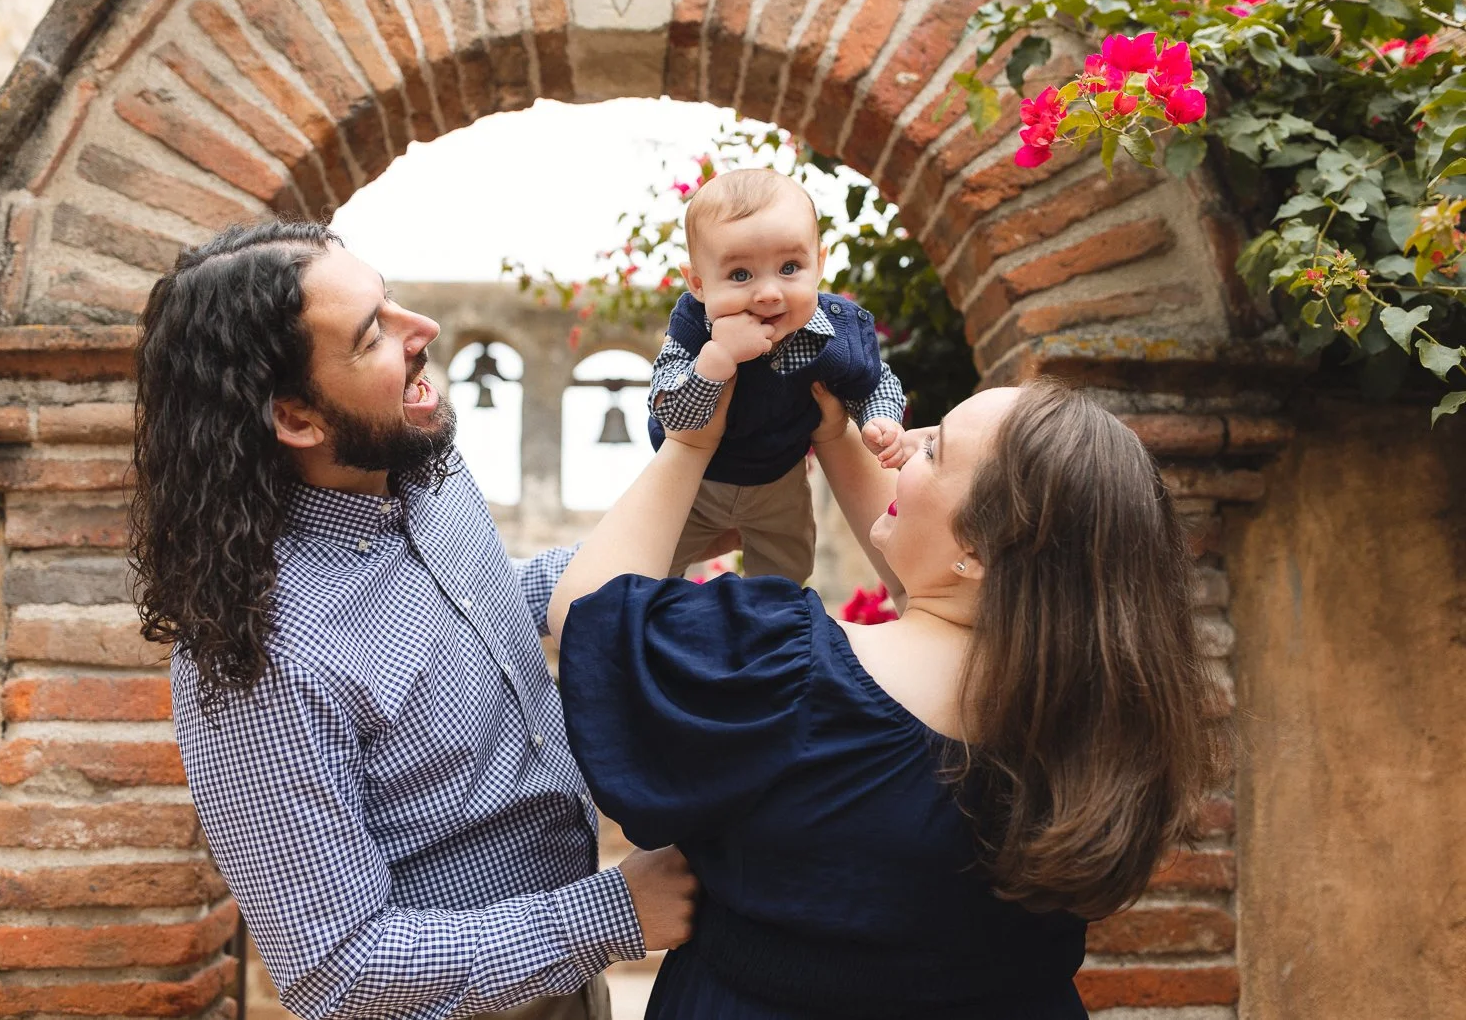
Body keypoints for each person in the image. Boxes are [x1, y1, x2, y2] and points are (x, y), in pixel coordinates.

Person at [128, 221, 697, 1020]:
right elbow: (337, 971)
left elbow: (499, 601)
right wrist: (612, 914)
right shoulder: (256, 655)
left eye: (389, 299)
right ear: (296, 418)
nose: (421, 329)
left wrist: (674, 531)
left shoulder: (421, 473)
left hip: (567, 981)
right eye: (372, 336)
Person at [548, 377, 1230, 1019]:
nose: (909, 447)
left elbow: (589, 612)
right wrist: (837, 434)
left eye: (936, 448)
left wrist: (690, 443)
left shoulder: (781, 670)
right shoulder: (1097, 727)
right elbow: (948, 594)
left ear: (980, 552)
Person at [645, 168, 907, 582]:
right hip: (696, 485)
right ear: (698, 283)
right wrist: (716, 359)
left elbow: (874, 381)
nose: (769, 293)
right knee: (649, 566)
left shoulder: (835, 331)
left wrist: (880, 418)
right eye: (740, 275)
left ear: (818, 264)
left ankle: (768, 627)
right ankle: (657, 627)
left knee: (787, 571)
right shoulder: (694, 329)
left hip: (778, 482)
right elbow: (672, 415)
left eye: (789, 267)